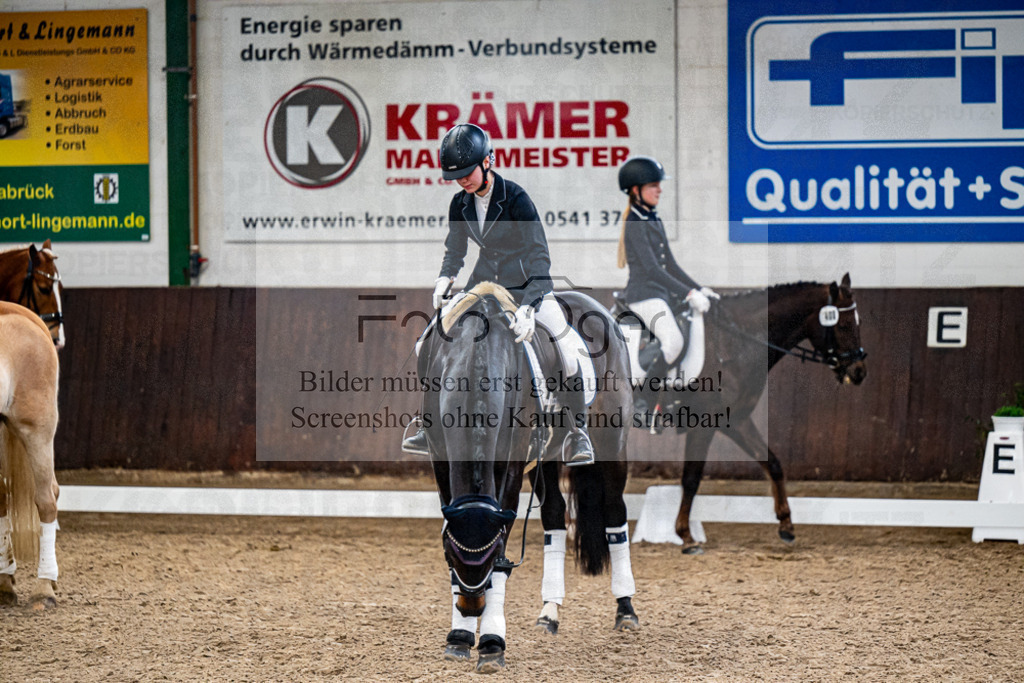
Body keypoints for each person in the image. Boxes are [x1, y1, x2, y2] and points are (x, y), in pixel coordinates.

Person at [402, 123, 595, 465]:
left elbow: (540, 257)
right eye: (456, 175)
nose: (463, 180)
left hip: (525, 286)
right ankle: (426, 424)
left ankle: (577, 431)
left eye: (467, 172)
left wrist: (530, 306)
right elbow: (455, 249)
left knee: (567, 348)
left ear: (488, 160)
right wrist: (445, 277)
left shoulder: (517, 198)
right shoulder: (459, 204)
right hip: (482, 286)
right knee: (426, 341)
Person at [617, 156, 717, 416]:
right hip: (643, 296)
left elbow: (670, 265)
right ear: (636, 190)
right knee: (673, 342)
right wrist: (688, 293)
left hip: (660, 295)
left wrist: (699, 288)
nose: (659, 189)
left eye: (658, 184)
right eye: (653, 185)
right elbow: (652, 269)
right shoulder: (635, 223)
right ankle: (643, 403)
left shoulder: (653, 219)